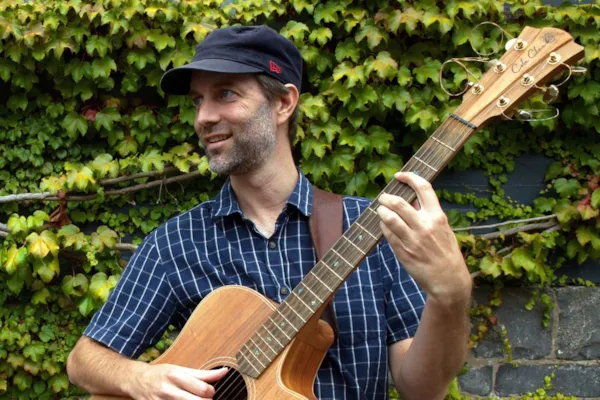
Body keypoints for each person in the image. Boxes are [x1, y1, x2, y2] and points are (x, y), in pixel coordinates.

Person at [67, 25, 472, 400]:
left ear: (283, 103)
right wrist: (143, 378)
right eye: (198, 100)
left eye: (225, 94)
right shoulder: (175, 244)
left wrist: (451, 296)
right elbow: (84, 360)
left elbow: (423, 391)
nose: (203, 117)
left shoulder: (375, 228)